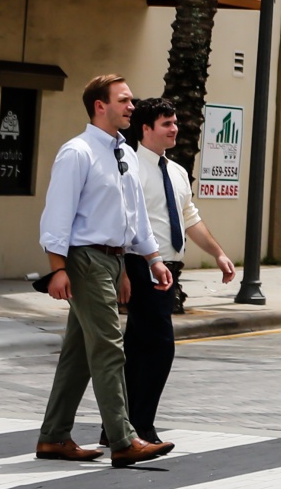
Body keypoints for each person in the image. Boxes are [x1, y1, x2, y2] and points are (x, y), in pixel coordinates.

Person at [35, 74, 174, 467]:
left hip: (113, 260)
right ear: (100, 105)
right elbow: (57, 215)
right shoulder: (76, 152)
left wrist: (150, 259)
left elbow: (134, 216)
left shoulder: (124, 154)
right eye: (124, 100)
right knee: (111, 348)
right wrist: (56, 268)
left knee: (79, 354)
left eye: (131, 101)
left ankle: (54, 437)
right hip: (84, 260)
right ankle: (124, 439)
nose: (132, 107)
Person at [117, 97, 235, 447]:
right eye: (167, 124)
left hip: (167, 269)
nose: (175, 129)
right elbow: (124, 223)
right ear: (146, 129)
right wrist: (123, 271)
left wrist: (218, 253)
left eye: (175, 123)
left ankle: (118, 428)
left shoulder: (177, 172)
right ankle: (142, 426)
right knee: (160, 347)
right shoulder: (130, 168)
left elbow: (190, 219)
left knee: (138, 348)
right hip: (140, 266)